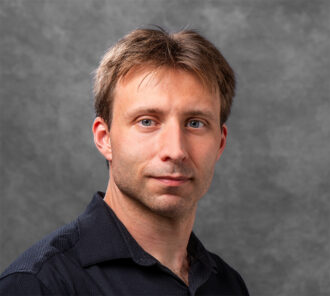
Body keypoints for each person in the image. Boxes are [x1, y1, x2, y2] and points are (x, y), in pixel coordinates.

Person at [0, 27, 249, 295]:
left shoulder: (227, 284)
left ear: (220, 143)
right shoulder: (38, 284)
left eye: (195, 123)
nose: (176, 150)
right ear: (105, 138)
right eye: (147, 122)